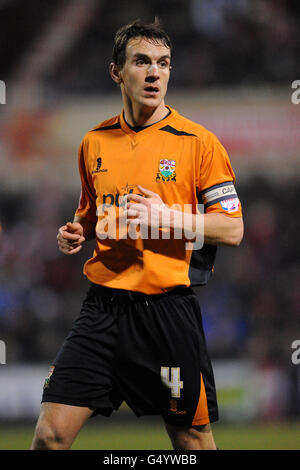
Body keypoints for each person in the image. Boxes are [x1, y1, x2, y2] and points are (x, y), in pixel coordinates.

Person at [31, 18, 243, 451]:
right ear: (116, 72)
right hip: (102, 308)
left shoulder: (198, 143)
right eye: (142, 61)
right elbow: (91, 214)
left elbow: (233, 228)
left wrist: (169, 217)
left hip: (165, 312)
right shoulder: (94, 142)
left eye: (163, 63)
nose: (154, 73)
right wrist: (78, 231)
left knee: (190, 438)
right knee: (51, 435)